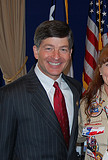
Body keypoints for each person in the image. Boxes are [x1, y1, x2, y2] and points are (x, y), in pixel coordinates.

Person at [0, 20, 81, 159]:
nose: (56, 56)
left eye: (63, 49)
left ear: (70, 53)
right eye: (49, 48)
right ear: (36, 51)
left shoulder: (76, 89)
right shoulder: (10, 95)